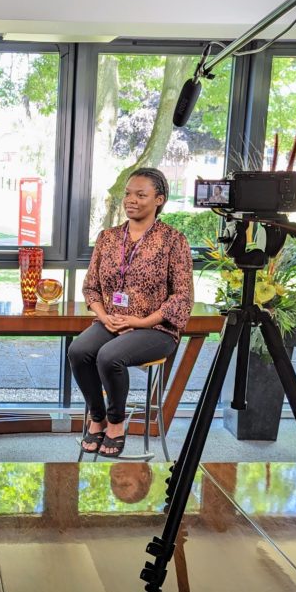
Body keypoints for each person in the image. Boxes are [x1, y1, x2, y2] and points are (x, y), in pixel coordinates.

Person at [69, 168, 193, 458]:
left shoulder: (174, 240)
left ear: (159, 199)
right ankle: (96, 418)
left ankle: (115, 422)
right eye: (127, 193)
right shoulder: (108, 238)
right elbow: (91, 287)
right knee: (78, 351)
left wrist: (141, 321)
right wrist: (103, 315)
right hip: (111, 320)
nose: (131, 200)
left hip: (155, 328)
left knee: (109, 356)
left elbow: (183, 296)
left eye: (141, 194)